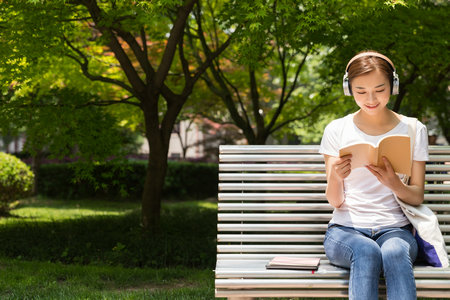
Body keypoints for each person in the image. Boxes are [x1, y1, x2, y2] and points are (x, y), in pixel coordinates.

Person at [319, 50, 429, 300]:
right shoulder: (337, 129)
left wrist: (393, 183)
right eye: (361, 91)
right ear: (349, 89)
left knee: (393, 252)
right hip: (344, 231)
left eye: (380, 89)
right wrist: (336, 176)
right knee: (366, 251)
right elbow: (335, 201)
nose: (371, 98)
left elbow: (417, 196)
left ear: (394, 85)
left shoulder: (414, 129)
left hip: (396, 230)